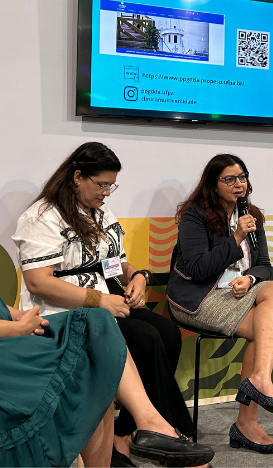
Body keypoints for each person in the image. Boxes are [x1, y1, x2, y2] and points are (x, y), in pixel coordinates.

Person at [0, 125, 213, 467]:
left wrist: (12, 314)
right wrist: (13, 328)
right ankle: (149, 427)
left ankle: (150, 425)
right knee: (98, 343)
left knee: (100, 328)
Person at [12, 142, 197, 467]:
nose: (107, 192)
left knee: (166, 332)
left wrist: (136, 276)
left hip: (106, 299)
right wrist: (100, 300)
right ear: (77, 177)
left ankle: (124, 436)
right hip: (64, 313)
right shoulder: (41, 216)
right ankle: (169, 431)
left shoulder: (99, 212)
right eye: (102, 185)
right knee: (144, 338)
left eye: (112, 185)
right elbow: (38, 282)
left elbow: (112, 263)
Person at [166, 154, 273, 455]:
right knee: (268, 324)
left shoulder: (252, 215)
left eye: (243, 177)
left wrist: (249, 279)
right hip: (198, 297)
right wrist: (236, 236)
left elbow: (264, 266)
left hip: (238, 293)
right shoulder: (195, 215)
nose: (239, 184)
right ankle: (248, 417)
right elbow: (197, 269)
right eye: (230, 179)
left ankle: (257, 384)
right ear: (213, 184)